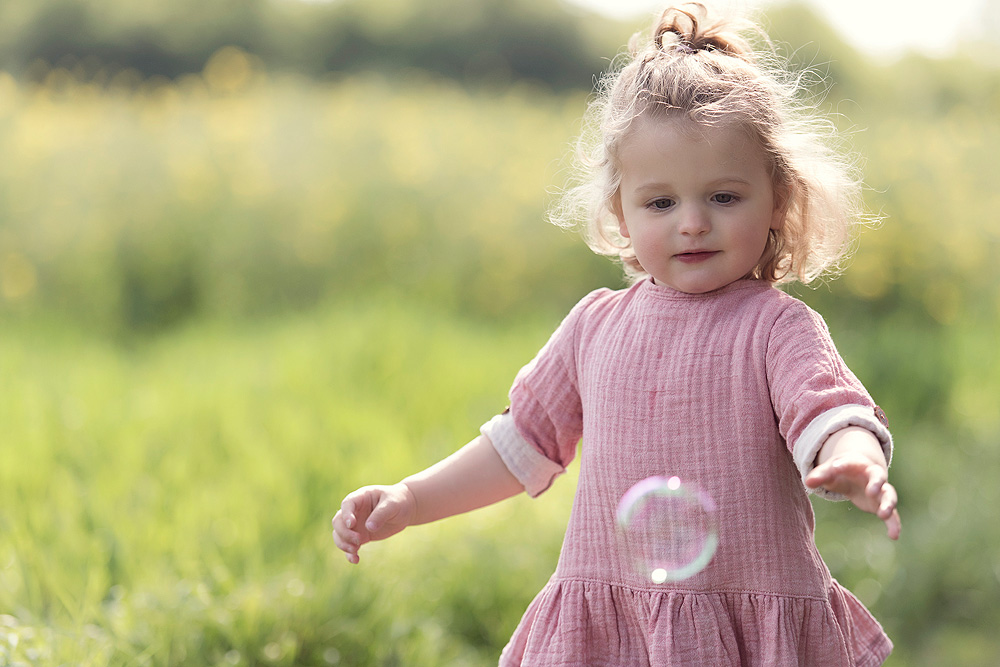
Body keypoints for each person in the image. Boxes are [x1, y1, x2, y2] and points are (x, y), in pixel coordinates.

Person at [333, 3, 901, 665]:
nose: (692, 223)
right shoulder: (594, 326)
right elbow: (522, 443)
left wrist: (856, 456)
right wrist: (410, 498)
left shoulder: (776, 327)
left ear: (777, 198)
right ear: (620, 212)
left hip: (743, 619)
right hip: (616, 625)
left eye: (723, 197)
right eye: (661, 202)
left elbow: (829, 411)